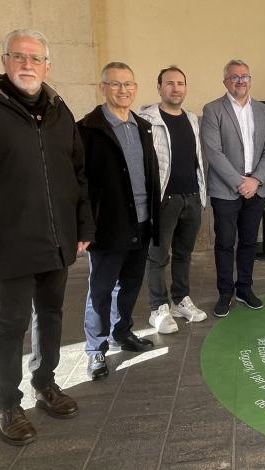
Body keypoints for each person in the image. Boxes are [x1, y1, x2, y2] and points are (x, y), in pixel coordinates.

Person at [0, 29, 94, 445]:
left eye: (36, 58)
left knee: (51, 316)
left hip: (56, 240)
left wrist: (83, 227)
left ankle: (45, 383)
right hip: (5, 243)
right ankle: (8, 403)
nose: (28, 64)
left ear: (47, 65)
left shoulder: (59, 112)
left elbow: (78, 175)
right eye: (19, 57)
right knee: (10, 325)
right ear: (4, 61)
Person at [79, 62, 161, 380]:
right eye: (115, 84)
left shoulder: (142, 127)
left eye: (128, 84)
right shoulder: (87, 130)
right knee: (100, 289)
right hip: (109, 225)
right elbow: (80, 184)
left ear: (135, 88)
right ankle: (95, 350)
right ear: (103, 88)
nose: (123, 90)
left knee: (129, 284)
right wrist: (86, 226)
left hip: (141, 221)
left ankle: (122, 332)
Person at [200, 59, 265, 317]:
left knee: (247, 242)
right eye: (234, 77)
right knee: (224, 243)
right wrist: (239, 182)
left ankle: (244, 288)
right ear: (225, 82)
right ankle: (225, 293)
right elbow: (213, 151)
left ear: (250, 80)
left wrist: (255, 180)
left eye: (244, 76)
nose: (240, 81)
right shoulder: (212, 110)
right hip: (225, 190)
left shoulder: (263, 111)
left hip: (255, 188)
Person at [139, 66, 207, 334]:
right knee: (157, 256)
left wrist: (201, 194)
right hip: (163, 200)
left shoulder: (191, 118)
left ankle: (180, 300)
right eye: (170, 83)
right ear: (159, 88)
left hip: (191, 196)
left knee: (183, 253)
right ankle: (158, 308)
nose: (176, 88)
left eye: (180, 83)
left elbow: (197, 160)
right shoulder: (147, 120)